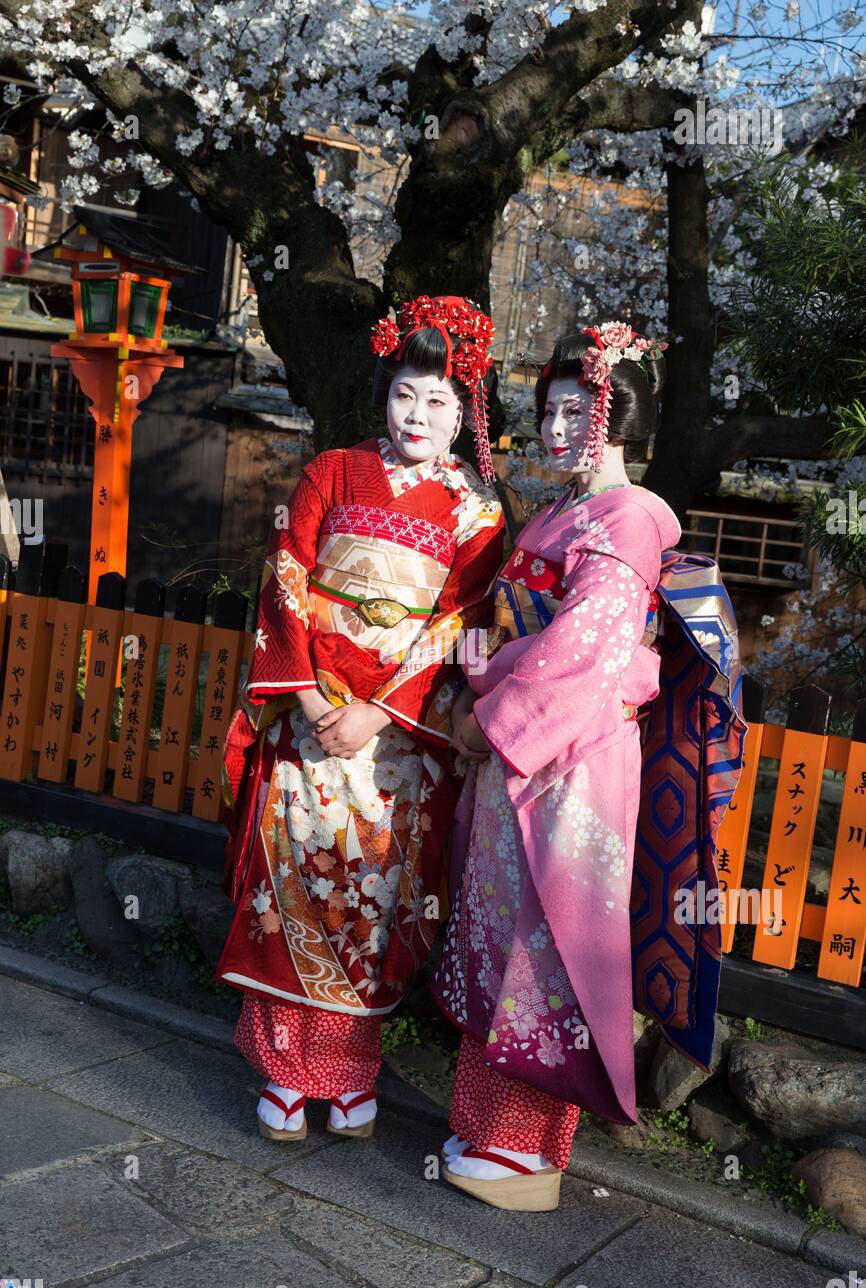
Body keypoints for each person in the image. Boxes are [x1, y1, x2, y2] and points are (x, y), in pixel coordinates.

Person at [432, 321, 746, 1210]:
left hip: (565, 759)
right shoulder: (562, 516)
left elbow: (586, 651)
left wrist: (486, 716)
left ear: (620, 417)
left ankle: (529, 1153)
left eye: (581, 410)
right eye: (549, 411)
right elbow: (503, 622)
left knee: (549, 946)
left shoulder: (631, 518)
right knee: (500, 934)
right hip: (513, 743)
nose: (559, 428)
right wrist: (473, 691)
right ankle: (488, 1127)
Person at [217, 294, 505, 1144]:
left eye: (438, 400)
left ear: (466, 410)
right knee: (289, 891)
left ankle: (347, 1074)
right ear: (385, 394)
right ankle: (282, 1071)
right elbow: (287, 578)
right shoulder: (333, 471)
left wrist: (377, 713)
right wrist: (305, 697)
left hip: (391, 743)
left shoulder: (476, 511)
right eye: (405, 394)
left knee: (369, 901)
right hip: (308, 719)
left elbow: (459, 625)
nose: (417, 415)